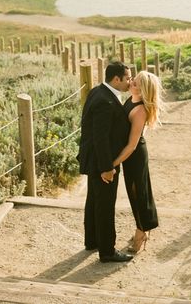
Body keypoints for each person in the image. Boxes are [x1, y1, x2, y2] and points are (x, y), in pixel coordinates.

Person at [77, 61, 133, 263]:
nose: (130, 82)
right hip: (101, 162)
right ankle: (107, 251)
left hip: (94, 160)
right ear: (116, 79)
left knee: (93, 200)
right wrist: (107, 168)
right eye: (127, 78)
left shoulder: (97, 91)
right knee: (105, 205)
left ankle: (92, 241)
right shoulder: (105, 101)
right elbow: (100, 138)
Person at [112, 70, 164, 254]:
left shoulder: (140, 109)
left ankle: (141, 232)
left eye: (136, 83)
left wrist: (113, 164)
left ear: (142, 91)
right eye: (133, 79)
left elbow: (132, 145)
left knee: (138, 194)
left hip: (135, 156)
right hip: (131, 155)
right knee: (135, 191)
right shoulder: (131, 100)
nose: (131, 82)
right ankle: (144, 227)